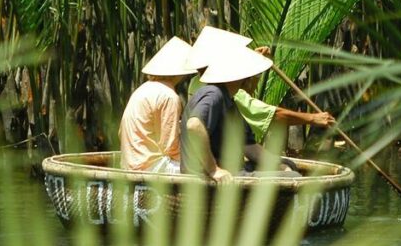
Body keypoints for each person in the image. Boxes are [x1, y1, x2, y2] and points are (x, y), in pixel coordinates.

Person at [186, 25, 334, 143]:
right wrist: (314, 118)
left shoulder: (197, 83)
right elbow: (273, 116)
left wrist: (254, 67)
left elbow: (245, 92)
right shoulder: (218, 90)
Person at [181, 46, 295, 180]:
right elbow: (194, 126)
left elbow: (249, 146)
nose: (252, 79)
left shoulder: (230, 102)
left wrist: (279, 166)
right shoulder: (214, 94)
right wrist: (214, 170)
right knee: (294, 175)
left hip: (234, 169)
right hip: (209, 176)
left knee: (289, 165)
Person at [119, 36, 196, 173]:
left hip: (130, 163)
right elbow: (170, 147)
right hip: (151, 166)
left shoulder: (142, 89)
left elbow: (120, 132)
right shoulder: (169, 97)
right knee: (203, 170)